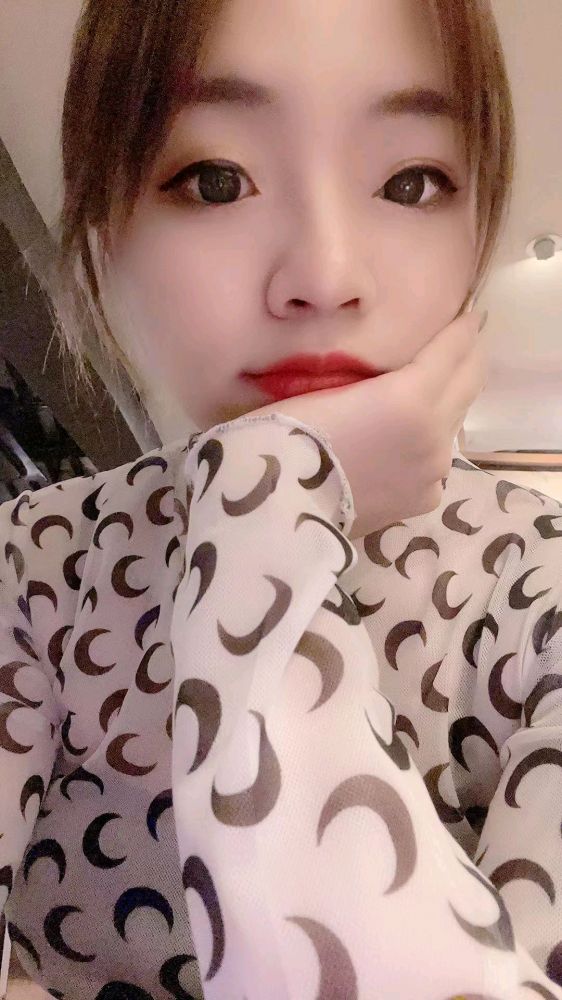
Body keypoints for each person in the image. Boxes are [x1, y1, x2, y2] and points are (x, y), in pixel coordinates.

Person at [1, 0, 561, 997]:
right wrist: (287, 491)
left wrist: (269, 494)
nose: (325, 276)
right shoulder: (34, 556)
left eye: (411, 181)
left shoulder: (538, 575)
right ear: (103, 232)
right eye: (216, 180)